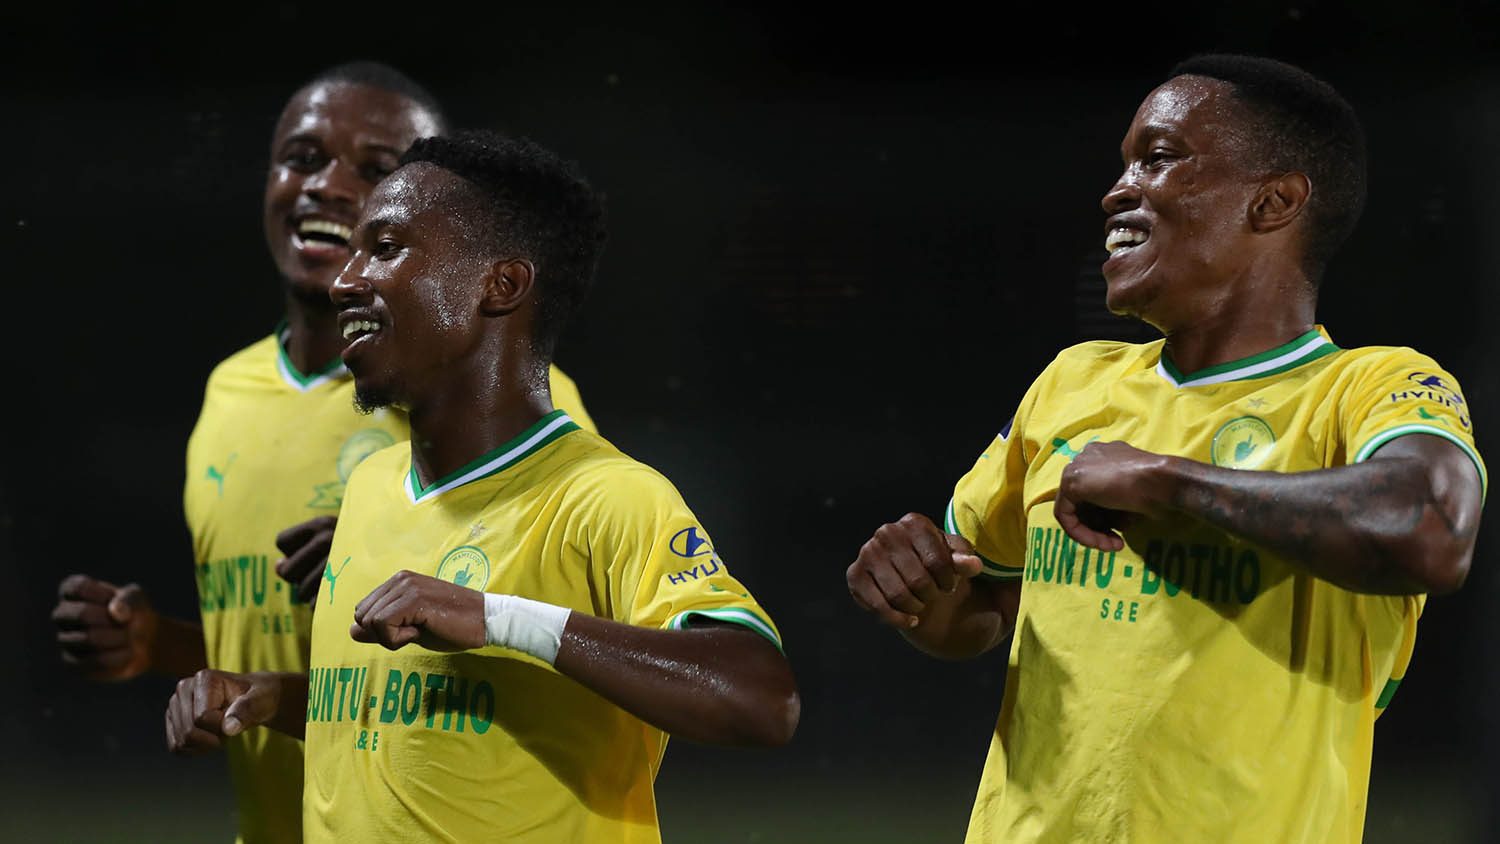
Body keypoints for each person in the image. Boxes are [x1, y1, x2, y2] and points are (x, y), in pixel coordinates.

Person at [846, 54, 1484, 843]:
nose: (1119, 189)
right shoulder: (1073, 382)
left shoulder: (1366, 388)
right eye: (1124, 165)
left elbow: (1431, 529)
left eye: (1159, 158)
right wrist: (918, 586)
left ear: (1275, 201)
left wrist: (1169, 484)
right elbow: (979, 609)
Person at [162, 130, 799, 842]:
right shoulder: (375, 486)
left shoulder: (603, 496)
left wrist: (502, 619)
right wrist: (267, 695)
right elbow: (413, 717)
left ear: (500, 285)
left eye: (387, 247)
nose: (346, 279)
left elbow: (760, 699)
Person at [50, 65, 595, 843]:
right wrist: (155, 646)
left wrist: (403, 538)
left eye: (377, 171)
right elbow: (307, 660)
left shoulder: (503, 396)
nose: (328, 187)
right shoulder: (227, 394)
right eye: (302, 158)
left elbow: (570, 627)